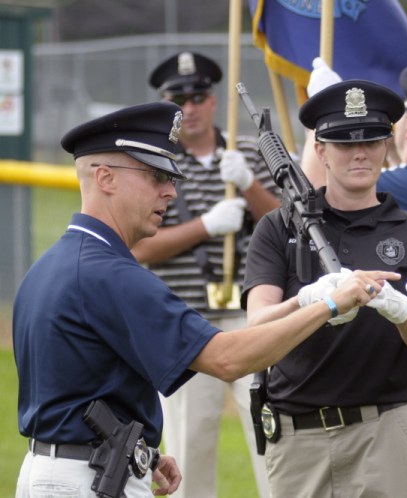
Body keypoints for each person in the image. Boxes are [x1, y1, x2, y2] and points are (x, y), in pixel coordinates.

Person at [13, 101, 387, 497]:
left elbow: (82, 389)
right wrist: (328, 305)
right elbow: (227, 358)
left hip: (70, 467)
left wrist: (143, 454)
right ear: (105, 178)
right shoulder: (110, 273)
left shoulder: (52, 264)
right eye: (156, 176)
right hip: (84, 480)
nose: (170, 191)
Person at [243, 79, 407, 498]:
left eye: (372, 141)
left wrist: (397, 308)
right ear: (320, 150)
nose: (359, 153)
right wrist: (309, 300)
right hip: (298, 437)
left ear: (387, 146)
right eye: (342, 142)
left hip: (385, 431)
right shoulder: (279, 227)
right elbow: (257, 328)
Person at [302, 60, 407, 497]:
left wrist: (318, 125)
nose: (359, 149)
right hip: (406, 356)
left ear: (405, 130)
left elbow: (310, 196)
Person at [131, 51, 279, 498]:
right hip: (185, 320)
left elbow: (289, 225)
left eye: (197, 97)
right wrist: (207, 226)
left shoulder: (249, 153)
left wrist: (250, 185)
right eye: (179, 99)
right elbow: (141, 249)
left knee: (270, 442)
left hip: (249, 316)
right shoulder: (153, 163)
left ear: (213, 101)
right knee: (188, 452)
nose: (189, 108)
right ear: (164, 103)